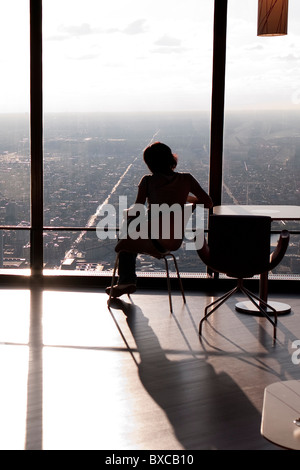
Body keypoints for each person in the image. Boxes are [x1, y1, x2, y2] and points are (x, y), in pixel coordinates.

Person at [106, 142, 213, 298]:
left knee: (127, 227)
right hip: (174, 242)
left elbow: (137, 210)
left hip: (152, 240)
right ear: (170, 159)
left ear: (150, 163)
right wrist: (186, 198)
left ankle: (127, 280)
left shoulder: (148, 181)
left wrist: (127, 214)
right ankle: (126, 280)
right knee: (131, 230)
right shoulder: (187, 179)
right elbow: (208, 203)